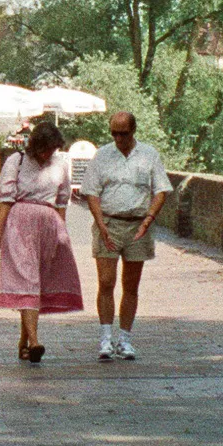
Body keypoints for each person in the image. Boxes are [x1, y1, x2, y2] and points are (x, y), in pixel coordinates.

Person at [0, 113, 85, 362]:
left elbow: (62, 200)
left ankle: (23, 342)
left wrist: (61, 232)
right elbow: (6, 199)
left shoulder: (60, 164)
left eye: (51, 150)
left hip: (48, 223)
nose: (46, 154)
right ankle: (34, 342)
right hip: (20, 222)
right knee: (25, 280)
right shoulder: (16, 160)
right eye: (43, 149)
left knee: (36, 283)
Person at [77, 110, 172, 360]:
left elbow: (161, 190)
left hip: (138, 224)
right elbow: (91, 192)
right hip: (108, 221)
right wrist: (100, 223)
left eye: (123, 134)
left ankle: (125, 339)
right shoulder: (102, 155)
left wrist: (149, 220)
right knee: (106, 282)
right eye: (114, 133)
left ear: (133, 131)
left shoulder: (149, 155)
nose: (118, 138)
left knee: (131, 285)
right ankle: (106, 338)